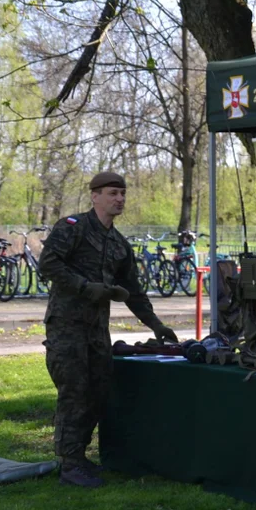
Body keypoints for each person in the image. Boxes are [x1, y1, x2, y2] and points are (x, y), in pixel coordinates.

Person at [39, 171, 178, 488]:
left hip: (97, 331)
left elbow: (133, 290)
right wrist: (86, 287)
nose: (119, 199)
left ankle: (81, 458)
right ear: (95, 195)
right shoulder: (72, 228)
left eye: (123, 194)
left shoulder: (118, 245)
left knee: (98, 392)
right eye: (113, 193)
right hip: (67, 326)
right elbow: (48, 264)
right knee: (74, 392)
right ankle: (69, 463)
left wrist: (156, 325)